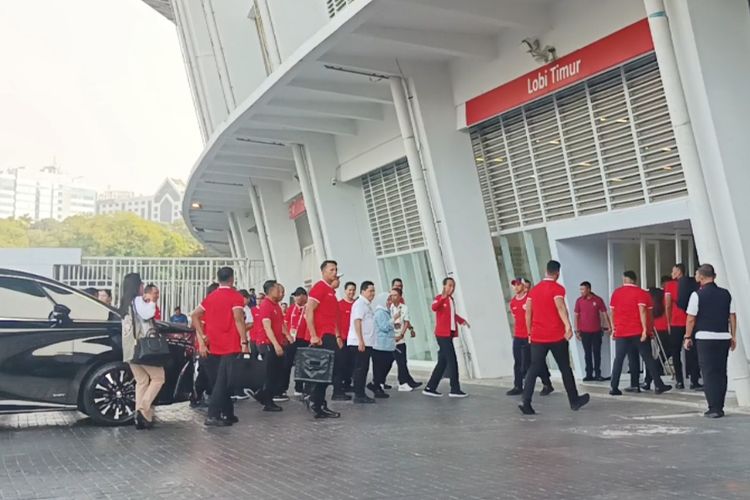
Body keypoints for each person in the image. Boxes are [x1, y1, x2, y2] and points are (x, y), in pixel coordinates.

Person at [519, 260, 590, 415]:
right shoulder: (557, 288)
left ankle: (526, 401)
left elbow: (528, 313)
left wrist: (530, 333)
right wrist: (568, 326)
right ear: (557, 273)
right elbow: (560, 307)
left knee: (533, 368)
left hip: (538, 337)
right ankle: (574, 400)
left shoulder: (534, 290)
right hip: (556, 336)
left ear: (546, 271)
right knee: (565, 367)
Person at [191, 267, 248, 427]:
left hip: (212, 344)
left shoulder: (211, 297)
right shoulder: (235, 297)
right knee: (223, 382)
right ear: (232, 279)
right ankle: (213, 415)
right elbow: (238, 319)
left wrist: (202, 337)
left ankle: (228, 412)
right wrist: (244, 341)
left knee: (219, 380)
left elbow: (194, 315)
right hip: (229, 344)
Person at [609, 271, 672, 396]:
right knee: (648, 358)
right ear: (635, 280)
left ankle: (614, 387)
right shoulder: (642, 293)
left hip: (622, 331)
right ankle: (658, 385)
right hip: (638, 331)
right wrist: (646, 330)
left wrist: (614, 329)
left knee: (619, 359)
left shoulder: (616, 293)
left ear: (625, 279)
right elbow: (644, 313)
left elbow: (612, 312)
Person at [684, 264, 736, 418]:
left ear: (701, 276)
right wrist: (733, 336)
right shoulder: (726, 294)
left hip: (705, 338)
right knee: (721, 372)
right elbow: (732, 316)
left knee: (708, 373)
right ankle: (720, 405)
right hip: (723, 337)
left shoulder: (697, 295)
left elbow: (691, 319)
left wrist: (687, 337)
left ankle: (713, 408)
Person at [120, 273, 164, 430]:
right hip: (143, 348)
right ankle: (142, 410)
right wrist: (152, 301)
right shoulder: (137, 301)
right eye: (141, 285)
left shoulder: (125, 304)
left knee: (142, 381)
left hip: (130, 349)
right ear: (137, 286)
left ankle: (142, 418)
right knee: (159, 378)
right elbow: (148, 314)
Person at [304, 260, 342, 418]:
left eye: (336, 269)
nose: (335, 272)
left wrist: (338, 334)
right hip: (322, 336)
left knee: (329, 371)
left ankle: (316, 401)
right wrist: (313, 334)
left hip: (329, 334)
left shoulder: (330, 290)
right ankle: (315, 402)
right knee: (325, 371)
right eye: (332, 270)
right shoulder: (319, 288)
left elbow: (332, 316)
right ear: (324, 272)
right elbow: (309, 310)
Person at [507, 278, 554, 396]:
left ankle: (547, 383)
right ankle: (518, 385)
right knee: (518, 361)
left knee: (536, 361)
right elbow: (515, 318)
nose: (516, 287)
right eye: (514, 285)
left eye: (518, 285)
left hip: (532, 335)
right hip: (518, 335)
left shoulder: (530, 299)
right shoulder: (512, 302)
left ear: (524, 286)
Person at [423, 277, 470, 398]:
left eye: (453, 286)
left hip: (448, 334)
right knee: (452, 361)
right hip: (442, 335)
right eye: (449, 285)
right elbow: (434, 308)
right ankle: (455, 388)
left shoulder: (451, 300)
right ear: (444, 286)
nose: (451, 288)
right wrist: (442, 299)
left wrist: (461, 321)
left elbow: (452, 315)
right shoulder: (440, 298)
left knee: (442, 362)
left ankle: (430, 387)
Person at [254, 280, 289, 412]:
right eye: (277, 289)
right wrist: (275, 344)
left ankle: (263, 395)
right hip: (267, 343)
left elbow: (281, 324)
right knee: (270, 373)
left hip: (276, 342)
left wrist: (287, 336)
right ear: (270, 290)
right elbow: (267, 327)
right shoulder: (266, 305)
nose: (279, 292)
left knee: (276, 372)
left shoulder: (276, 306)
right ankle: (267, 401)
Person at [665, 263, 701, 389]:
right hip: (690, 321)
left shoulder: (670, 285)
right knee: (692, 351)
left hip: (675, 322)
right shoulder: (692, 284)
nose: (671, 273)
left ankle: (679, 381)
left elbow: (668, 305)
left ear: (679, 271)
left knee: (675, 352)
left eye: (673, 271)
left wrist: (668, 322)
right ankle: (694, 380)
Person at [574, 281, 612, 381]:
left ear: (589, 289)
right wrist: (577, 330)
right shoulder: (579, 301)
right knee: (587, 353)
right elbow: (576, 316)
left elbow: (604, 313)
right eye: (580, 289)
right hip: (584, 331)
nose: (581, 291)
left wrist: (609, 326)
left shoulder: (598, 300)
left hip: (596, 331)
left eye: (583, 289)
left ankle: (598, 374)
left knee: (596, 352)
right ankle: (589, 374)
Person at [348, 280, 377, 403]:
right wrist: (361, 340)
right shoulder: (360, 304)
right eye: (370, 291)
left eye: (373, 291)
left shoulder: (366, 305)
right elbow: (357, 321)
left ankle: (360, 393)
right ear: (363, 291)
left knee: (363, 369)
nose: (372, 293)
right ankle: (359, 395)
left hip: (366, 342)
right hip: (359, 343)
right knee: (360, 369)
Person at [389, 287, 421, 391]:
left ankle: (404, 381)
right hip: (391, 338)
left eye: (395, 295)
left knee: (402, 361)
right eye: (391, 295)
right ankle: (402, 382)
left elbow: (406, 321)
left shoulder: (404, 308)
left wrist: (403, 333)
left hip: (400, 338)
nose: (393, 297)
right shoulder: (389, 308)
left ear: (399, 297)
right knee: (396, 361)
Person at [285, 287, 311, 397]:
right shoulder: (291, 309)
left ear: (304, 296)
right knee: (287, 364)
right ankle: (283, 388)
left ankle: (300, 387)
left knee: (302, 364)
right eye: (295, 295)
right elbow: (285, 323)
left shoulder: (309, 308)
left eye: (299, 295)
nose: (296, 298)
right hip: (291, 339)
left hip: (304, 340)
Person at [643, 287, 670, 391]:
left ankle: (648, 379)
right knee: (667, 352)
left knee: (651, 355)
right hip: (664, 328)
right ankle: (652, 374)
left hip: (652, 327)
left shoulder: (649, 300)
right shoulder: (664, 298)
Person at [371, 292, 396, 397]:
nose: (390, 302)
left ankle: (377, 384)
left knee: (388, 363)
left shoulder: (386, 312)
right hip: (380, 345)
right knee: (380, 367)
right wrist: (393, 320)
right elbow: (384, 327)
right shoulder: (380, 312)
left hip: (387, 345)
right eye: (388, 300)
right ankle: (377, 386)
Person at [337, 281, 357, 394]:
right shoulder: (340, 304)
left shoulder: (356, 304)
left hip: (354, 338)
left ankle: (349, 383)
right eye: (349, 290)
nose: (351, 292)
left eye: (353, 290)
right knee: (343, 362)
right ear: (345, 291)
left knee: (352, 362)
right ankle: (342, 384)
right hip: (343, 337)